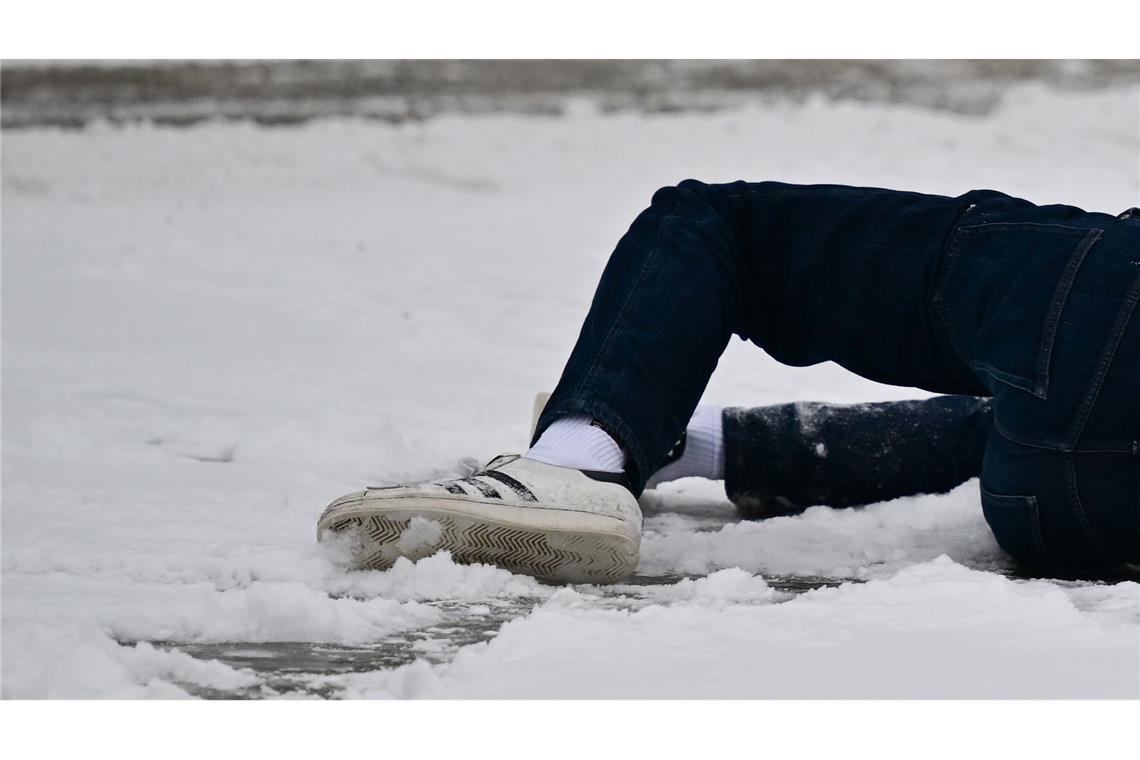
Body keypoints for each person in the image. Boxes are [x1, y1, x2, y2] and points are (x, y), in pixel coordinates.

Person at [318, 181, 1140, 583]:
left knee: (721, 228)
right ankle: (694, 439)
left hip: (1108, 311)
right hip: (1084, 518)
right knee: (1030, 423)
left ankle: (576, 466)